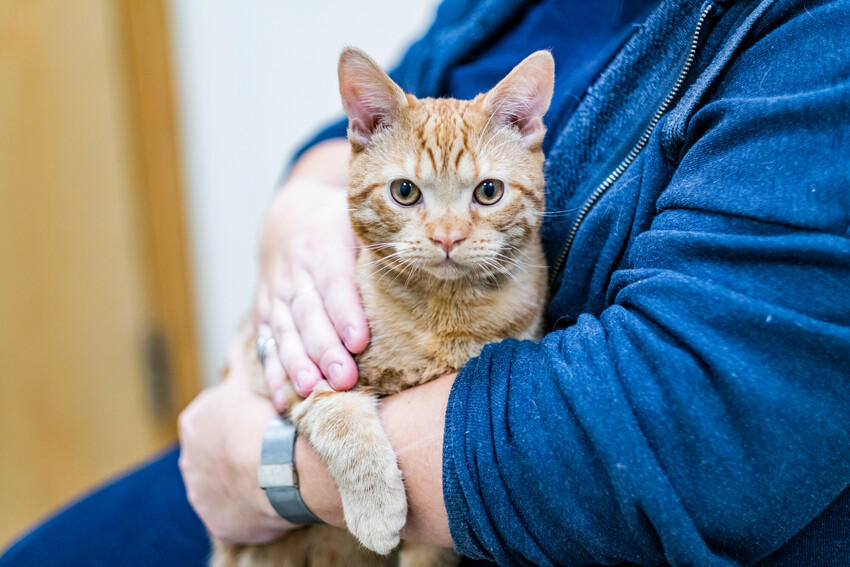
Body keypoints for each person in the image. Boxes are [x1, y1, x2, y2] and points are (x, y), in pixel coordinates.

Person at [3, 0, 849, 565]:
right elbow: (385, 105)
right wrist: (302, 203)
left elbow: (680, 423)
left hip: (425, 491)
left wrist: (269, 466)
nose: (447, 234)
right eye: (416, 200)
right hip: (284, 447)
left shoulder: (813, 42)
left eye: (484, 195)